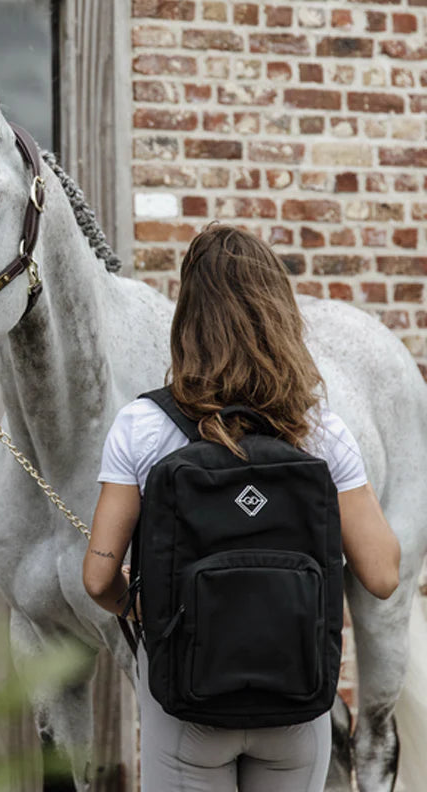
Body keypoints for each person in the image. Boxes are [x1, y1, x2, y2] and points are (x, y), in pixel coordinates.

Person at [82, 224, 401, 792]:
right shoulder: (322, 432)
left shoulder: (142, 426)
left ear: (187, 321)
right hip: (295, 700)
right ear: (280, 316)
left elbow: (98, 578)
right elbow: (381, 575)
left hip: (186, 703)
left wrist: (161, 612)